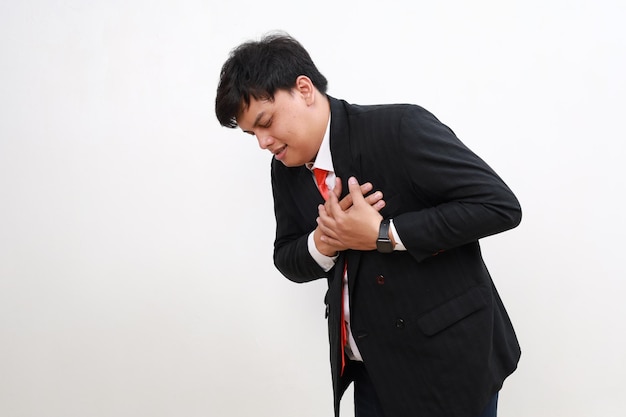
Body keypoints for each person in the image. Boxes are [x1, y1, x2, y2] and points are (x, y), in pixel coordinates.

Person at [215, 32, 522, 417]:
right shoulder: (285, 169)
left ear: (304, 90)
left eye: (266, 122)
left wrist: (383, 234)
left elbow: (498, 205)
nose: (263, 142)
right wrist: (323, 242)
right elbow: (287, 256)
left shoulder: (399, 127)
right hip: (371, 366)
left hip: (449, 363)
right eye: (252, 134)